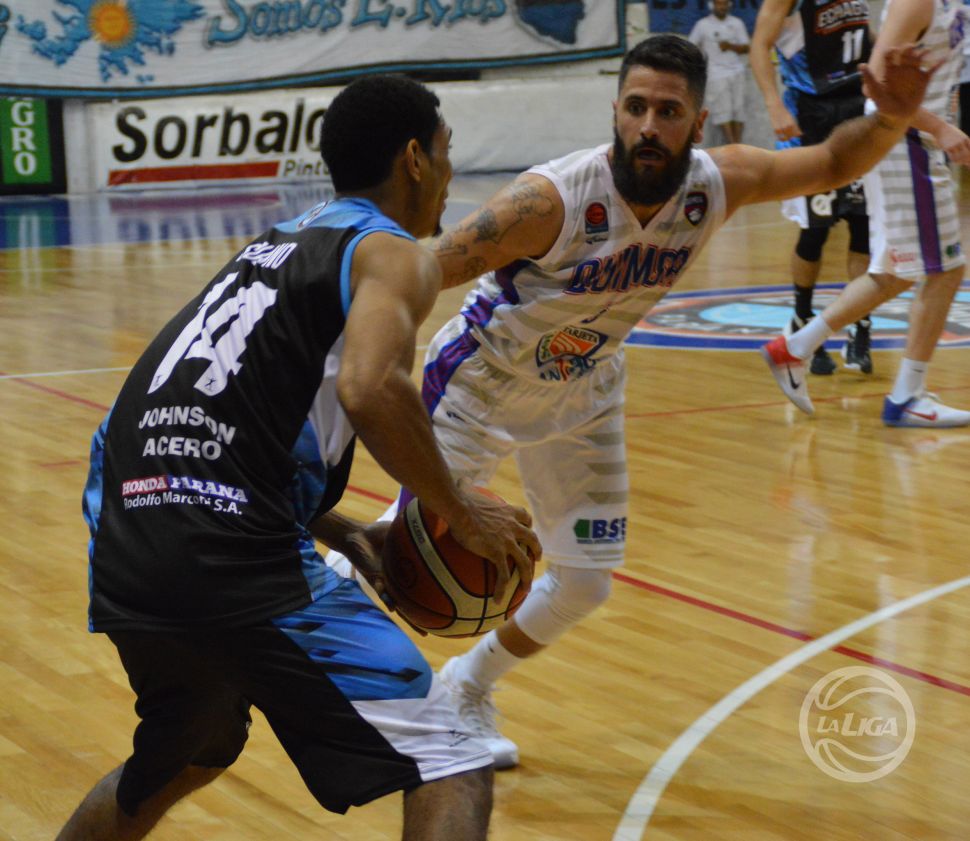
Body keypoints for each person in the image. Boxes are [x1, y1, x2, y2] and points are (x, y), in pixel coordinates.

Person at [327, 35, 937, 767]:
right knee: (393, 551)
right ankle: (299, 646)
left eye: (668, 112)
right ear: (615, 111)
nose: (649, 125)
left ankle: (465, 686)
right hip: (480, 381)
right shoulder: (551, 199)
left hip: (583, 390)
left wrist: (891, 118)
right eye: (637, 107)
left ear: (698, 122)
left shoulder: (719, 183)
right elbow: (421, 272)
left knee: (584, 583)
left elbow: (834, 162)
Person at [56, 74, 540, 841]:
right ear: (415, 159)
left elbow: (205, 429)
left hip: (124, 533)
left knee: (181, 757)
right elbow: (370, 388)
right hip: (229, 548)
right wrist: (457, 509)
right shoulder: (393, 253)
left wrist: (346, 532)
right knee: (450, 754)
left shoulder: (269, 247)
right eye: (446, 153)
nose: (450, 175)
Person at [761, 0, 970, 427]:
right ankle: (907, 395)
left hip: (917, 139)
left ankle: (794, 348)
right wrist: (940, 127)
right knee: (945, 269)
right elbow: (876, 84)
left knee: (896, 271)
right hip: (905, 141)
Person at [750, 0, 876, 376]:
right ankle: (802, 318)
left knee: (864, 225)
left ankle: (860, 326)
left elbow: (862, 33)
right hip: (812, 115)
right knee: (815, 230)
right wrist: (774, 105)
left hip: (859, 107)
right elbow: (759, 45)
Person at [689, 0, 751, 143]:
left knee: (739, 110)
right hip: (716, 73)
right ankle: (732, 145)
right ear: (712, 5)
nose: (722, 7)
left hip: (737, 71)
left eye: (725, 4)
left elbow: (746, 48)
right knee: (723, 111)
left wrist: (730, 46)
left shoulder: (737, 23)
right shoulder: (702, 25)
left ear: (729, 5)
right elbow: (691, 46)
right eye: (719, 4)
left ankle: (738, 144)